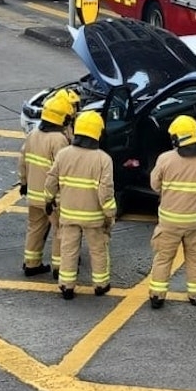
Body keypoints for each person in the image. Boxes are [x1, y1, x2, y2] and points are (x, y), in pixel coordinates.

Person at [148, 114, 196, 309]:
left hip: (169, 221)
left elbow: (155, 185)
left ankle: (157, 296)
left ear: (176, 138)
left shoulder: (165, 159)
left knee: (163, 258)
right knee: (195, 258)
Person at [44, 109, 116, 299]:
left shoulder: (64, 154)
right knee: (98, 251)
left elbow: (51, 181)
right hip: (94, 217)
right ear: (97, 133)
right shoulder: (103, 159)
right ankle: (100, 285)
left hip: (68, 214)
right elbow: (106, 192)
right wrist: (111, 214)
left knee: (68, 250)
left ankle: (67, 286)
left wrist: (48, 199)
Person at [19, 88, 77, 278]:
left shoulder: (34, 134)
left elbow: (23, 160)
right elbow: (62, 170)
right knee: (60, 231)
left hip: (33, 193)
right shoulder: (58, 139)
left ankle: (31, 263)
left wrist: (23, 183)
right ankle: (59, 268)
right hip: (52, 198)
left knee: (35, 227)